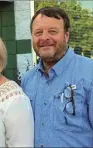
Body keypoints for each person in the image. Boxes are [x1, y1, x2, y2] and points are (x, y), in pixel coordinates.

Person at [21, 7, 93, 147]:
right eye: (38, 32)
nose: (44, 38)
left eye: (52, 31)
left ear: (66, 36)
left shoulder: (89, 73)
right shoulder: (27, 80)